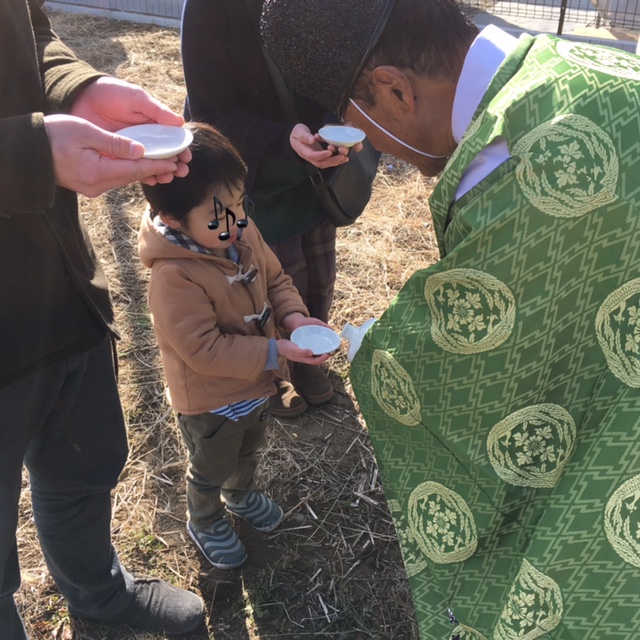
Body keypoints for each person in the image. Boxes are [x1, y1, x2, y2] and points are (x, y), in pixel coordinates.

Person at [260, 0, 640, 638]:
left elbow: (482, 363)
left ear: (394, 89)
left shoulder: (510, 159)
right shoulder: (587, 70)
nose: (382, 152)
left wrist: (368, 349)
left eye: (362, 129)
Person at [0, 1, 205, 637]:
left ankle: (99, 593)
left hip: (57, 283)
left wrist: (79, 89)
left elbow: (28, 29)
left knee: (83, 460)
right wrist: (26, 153)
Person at [138, 122, 334, 569]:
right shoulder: (174, 277)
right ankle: (204, 517)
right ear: (172, 220)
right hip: (210, 401)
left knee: (249, 447)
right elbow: (203, 350)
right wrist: (276, 352)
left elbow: (277, 278)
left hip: (256, 385)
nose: (237, 218)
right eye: (218, 212)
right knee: (209, 464)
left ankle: (240, 493)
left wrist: (293, 317)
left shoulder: (241, 236)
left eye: (240, 202)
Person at [181, 0, 366, 417]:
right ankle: (276, 370)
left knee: (316, 270)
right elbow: (212, 114)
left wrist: (331, 124)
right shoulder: (210, 10)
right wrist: (284, 138)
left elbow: (334, 76)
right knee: (259, 276)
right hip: (248, 168)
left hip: (309, 167)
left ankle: (308, 357)